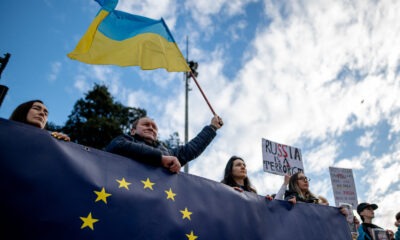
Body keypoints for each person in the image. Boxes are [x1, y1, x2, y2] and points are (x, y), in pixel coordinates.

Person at [106, 115, 223, 173]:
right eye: (146, 125)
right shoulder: (124, 140)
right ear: (133, 131)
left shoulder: (169, 152)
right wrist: (160, 159)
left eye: (154, 127)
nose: (151, 128)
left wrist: (212, 128)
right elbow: (116, 146)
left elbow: (191, 149)